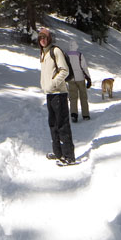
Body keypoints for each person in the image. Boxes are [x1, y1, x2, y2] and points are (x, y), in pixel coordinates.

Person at [37, 26, 77, 166]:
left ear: (50, 38)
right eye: (40, 37)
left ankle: (69, 156)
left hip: (59, 94)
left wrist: (54, 84)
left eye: (45, 37)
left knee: (62, 125)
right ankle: (58, 152)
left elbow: (64, 70)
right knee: (53, 124)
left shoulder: (56, 51)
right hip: (50, 94)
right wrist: (46, 86)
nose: (43, 40)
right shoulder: (43, 53)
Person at [65, 45, 91, 122]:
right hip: (80, 78)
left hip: (71, 78)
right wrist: (88, 78)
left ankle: (74, 114)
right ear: (76, 46)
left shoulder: (66, 55)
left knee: (73, 97)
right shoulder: (79, 55)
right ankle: (85, 114)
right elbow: (84, 67)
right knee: (83, 96)